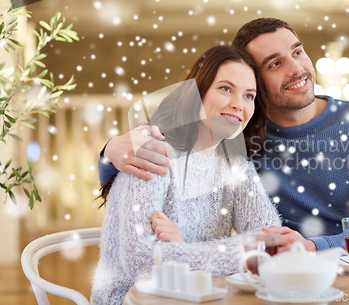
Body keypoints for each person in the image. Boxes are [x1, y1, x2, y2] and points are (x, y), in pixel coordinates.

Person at [98, 17, 349, 257]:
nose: (298, 69)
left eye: (297, 52)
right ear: (253, 81)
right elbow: (164, 165)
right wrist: (109, 153)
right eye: (276, 63)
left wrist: (314, 247)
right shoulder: (237, 135)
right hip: (269, 277)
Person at [91, 46, 281, 304]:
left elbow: (271, 239)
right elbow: (141, 262)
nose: (239, 104)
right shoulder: (153, 152)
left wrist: (182, 251)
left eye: (249, 96)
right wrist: (240, 252)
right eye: (226, 88)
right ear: (197, 93)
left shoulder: (236, 166)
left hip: (199, 295)